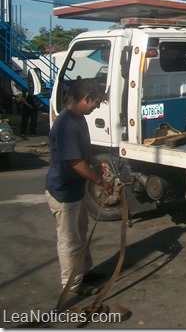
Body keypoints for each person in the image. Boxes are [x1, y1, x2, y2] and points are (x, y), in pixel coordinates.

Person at [45, 78, 113, 296]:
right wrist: (99, 181)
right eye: (97, 102)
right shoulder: (65, 124)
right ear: (86, 98)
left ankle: (84, 271)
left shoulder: (79, 119)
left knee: (81, 234)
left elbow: (83, 153)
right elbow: (75, 162)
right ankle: (72, 284)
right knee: (69, 240)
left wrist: (95, 161)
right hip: (63, 193)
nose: (97, 107)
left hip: (75, 191)